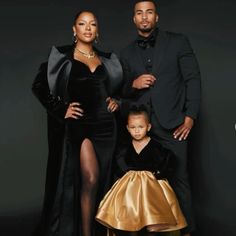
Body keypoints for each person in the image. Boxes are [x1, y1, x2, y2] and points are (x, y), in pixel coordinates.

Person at [32, 11, 123, 236]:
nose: (88, 28)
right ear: (75, 30)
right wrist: (61, 109)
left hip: (105, 127)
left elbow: (119, 90)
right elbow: (39, 86)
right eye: (82, 24)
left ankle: (97, 230)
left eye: (92, 24)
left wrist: (117, 101)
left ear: (97, 30)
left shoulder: (108, 60)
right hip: (79, 125)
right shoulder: (62, 57)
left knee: (101, 181)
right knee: (89, 177)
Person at [119, 1, 201, 235]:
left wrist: (190, 117)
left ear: (157, 17)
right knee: (141, 187)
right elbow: (118, 90)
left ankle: (188, 232)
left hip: (173, 124)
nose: (144, 17)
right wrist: (133, 84)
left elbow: (193, 79)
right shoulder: (125, 53)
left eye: (149, 12)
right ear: (134, 19)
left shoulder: (178, 42)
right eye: (139, 13)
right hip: (140, 131)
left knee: (180, 181)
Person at [96, 105, 187, 236]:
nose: (137, 131)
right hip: (130, 189)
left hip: (150, 189)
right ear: (127, 128)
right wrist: (125, 174)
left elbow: (168, 161)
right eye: (133, 127)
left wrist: (159, 174)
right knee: (131, 221)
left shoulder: (155, 146)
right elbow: (119, 163)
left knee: (151, 219)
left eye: (141, 127)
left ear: (148, 127)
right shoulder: (125, 148)